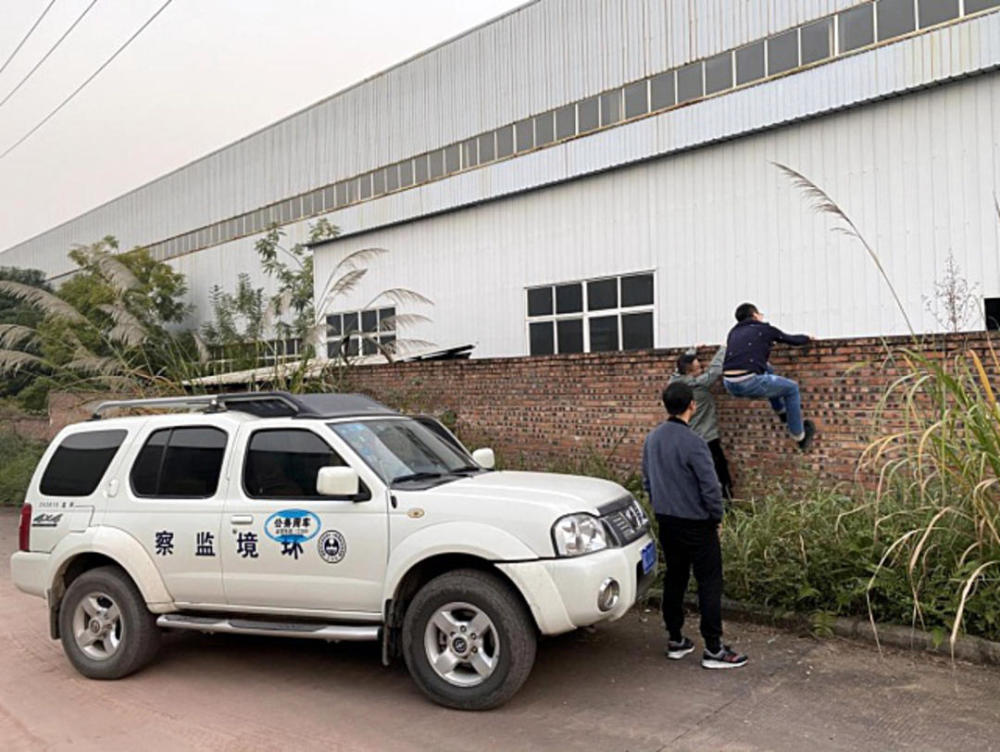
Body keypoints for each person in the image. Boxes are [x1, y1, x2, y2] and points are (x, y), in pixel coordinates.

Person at [642, 381, 748, 670]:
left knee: (675, 578)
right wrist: (716, 518)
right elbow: (710, 487)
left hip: (667, 522)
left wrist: (661, 507)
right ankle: (713, 648)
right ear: (692, 405)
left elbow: (647, 481)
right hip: (698, 524)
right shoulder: (695, 442)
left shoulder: (652, 439)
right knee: (709, 583)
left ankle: (676, 639)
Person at [722, 303, 816, 451]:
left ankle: (781, 412)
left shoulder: (733, 333)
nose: (761, 316)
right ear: (754, 315)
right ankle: (799, 436)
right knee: (792, 388)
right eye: (760, 314)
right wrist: (808, 337)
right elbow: (790, 339)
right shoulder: (764, 329)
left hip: (728, 383)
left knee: (768, 368)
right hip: (748, 381)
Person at [669, 344, 732, 499]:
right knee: (720, 475)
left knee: (694, 477)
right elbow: (715, 370)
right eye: (698, 368)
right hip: (707, 439)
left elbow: (681, 365)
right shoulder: (698, 383)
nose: (702, 369)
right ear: (690, 373)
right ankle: (726, 509)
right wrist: (724, 349)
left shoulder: (674, 381)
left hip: (686, 439)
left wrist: (693, 350)